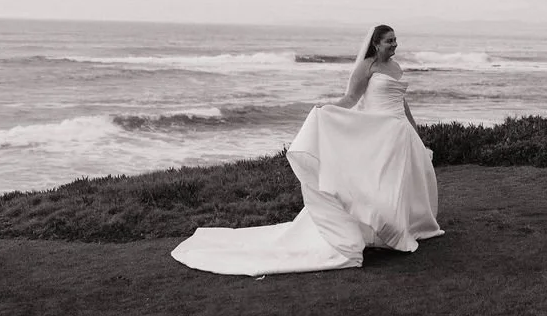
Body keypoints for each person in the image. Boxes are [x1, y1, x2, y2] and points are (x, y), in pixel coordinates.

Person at [170, 24, 443, 275]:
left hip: (399, 132)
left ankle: (399, 228)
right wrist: (328, 110)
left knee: (399, 181)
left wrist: (414, 128)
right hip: (378, 130)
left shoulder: (396, 67)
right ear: (375, 43)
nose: (394, 45)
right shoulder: (367, 67)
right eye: (388, 41)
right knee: (376, 182)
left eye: (395, 40)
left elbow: (401, 101)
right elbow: (351, 98)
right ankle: (384, 230)